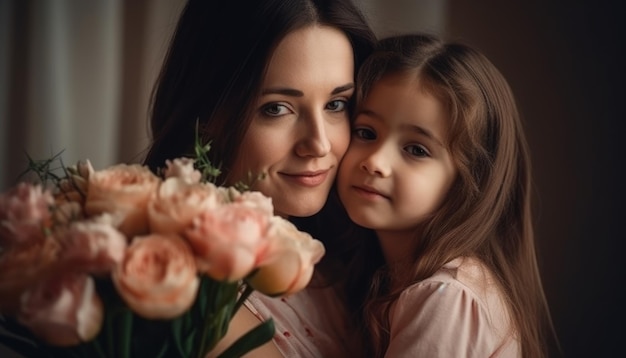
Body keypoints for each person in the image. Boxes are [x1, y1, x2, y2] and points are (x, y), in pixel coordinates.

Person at [142, 0, 376, 356]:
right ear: (205, 116)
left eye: (336, 104)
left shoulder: (340, 265)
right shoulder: (197, 302)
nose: (319, 144)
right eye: (276, 108)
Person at [334, 33, 558, 357]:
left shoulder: (447, 296)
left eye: (416, 149)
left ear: (467, 181)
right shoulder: (385, 279)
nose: (375, 162)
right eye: (366, 132)